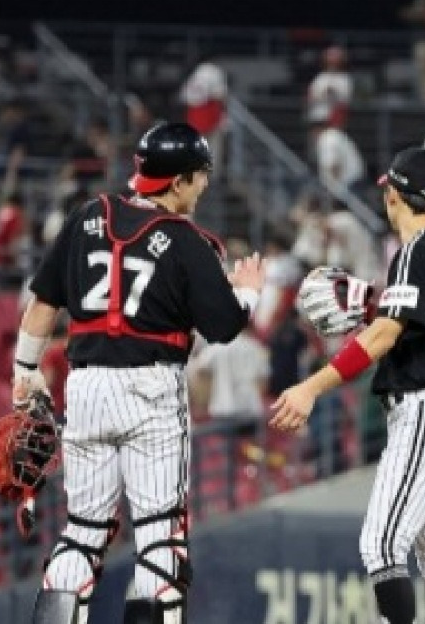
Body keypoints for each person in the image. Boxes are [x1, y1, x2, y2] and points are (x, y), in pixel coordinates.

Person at [16, 122, 263, 623]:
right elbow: (223, 327)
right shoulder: (188, 240)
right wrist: (248, 293)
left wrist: (24, 371)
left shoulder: (87, 216)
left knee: (82, 532)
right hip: (151, 389)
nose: (204, 184)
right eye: (199, 175)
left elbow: (42, 304)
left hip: (86, 388)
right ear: (178, 181)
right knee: (159, 537)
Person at [270, 148, 425, 624]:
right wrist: (378, 304)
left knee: (382, 545)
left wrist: (311, 387)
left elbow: (385, 335)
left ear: (393, 196)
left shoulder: (416, 250)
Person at [180, 60, 228, 172]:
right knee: (211, 152)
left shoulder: (195, 79)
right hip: (205, 119)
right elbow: (221, 95)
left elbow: (184, 97)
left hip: (201, 120)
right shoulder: (210, 75)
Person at [306, 46, 352, 128]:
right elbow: (311, 95)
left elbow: (345, 99)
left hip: (335, 119)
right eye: (330, 56)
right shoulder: (320, 77)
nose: (332, 60)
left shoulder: (345, 78)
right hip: (317, 116)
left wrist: (331, 92)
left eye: (335, 57)